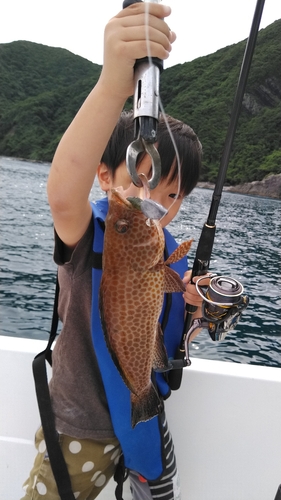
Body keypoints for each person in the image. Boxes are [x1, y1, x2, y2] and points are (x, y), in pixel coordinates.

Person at [21, 3, 207, 500]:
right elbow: (63, 194)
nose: (156, 205)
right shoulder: (90, 232)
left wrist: (188, 303)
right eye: (141, 183)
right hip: (81, 426)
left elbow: (164, 317)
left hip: (141, 419)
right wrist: (111, 85)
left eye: (173, 195)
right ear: (106, 177)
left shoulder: (163, 248)